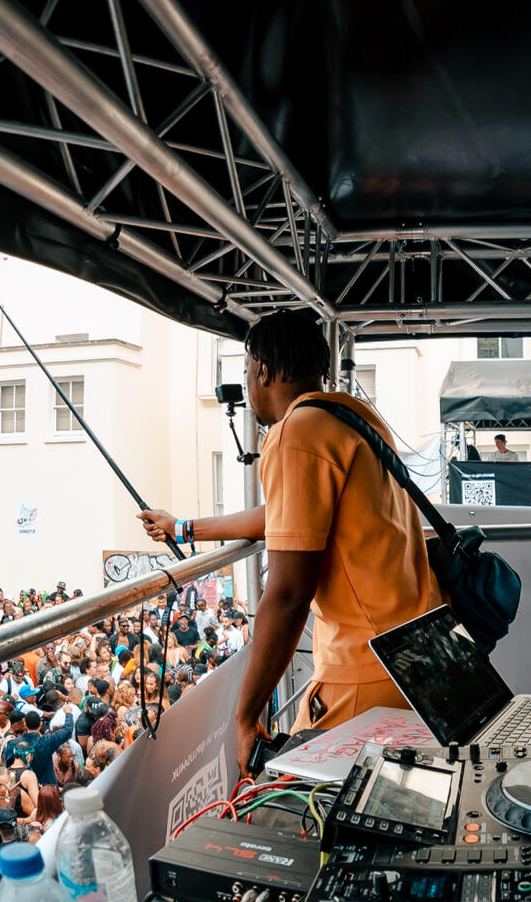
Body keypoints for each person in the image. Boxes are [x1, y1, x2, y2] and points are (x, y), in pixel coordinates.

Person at [138, 311, 443, 767]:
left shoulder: (294, 434)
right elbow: (284, 517)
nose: (246, 383)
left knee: (294, 800)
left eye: (245, 371)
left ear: (262, 369)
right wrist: (184, 528)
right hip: (422, 652)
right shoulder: (353, 419)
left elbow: (287, 592)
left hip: (367, 669)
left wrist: (244, 716)